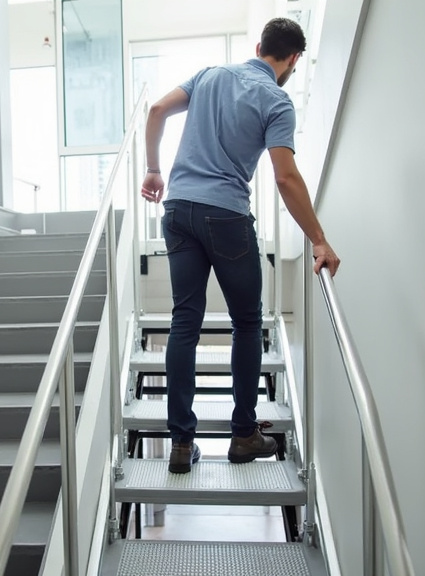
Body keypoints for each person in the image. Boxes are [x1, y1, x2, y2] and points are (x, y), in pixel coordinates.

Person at [140, 17, 341, 474]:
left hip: (178, 211)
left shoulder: (210, 74)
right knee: (247, 323)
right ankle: (244, 435)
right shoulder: (276, 100)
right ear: (291, 59)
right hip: (226, 215)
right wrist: (319, 240)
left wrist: (153, 168)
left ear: (258, 46)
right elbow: (286, 177)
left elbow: (156, 112)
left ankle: (180, 444)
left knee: (184, 322)